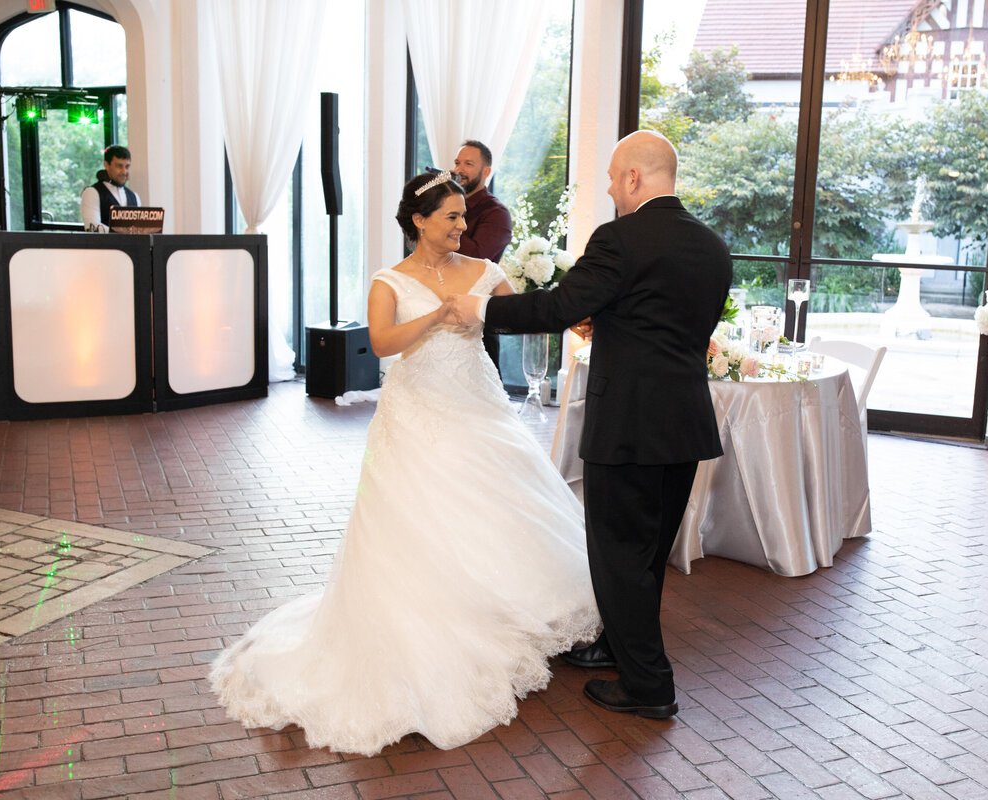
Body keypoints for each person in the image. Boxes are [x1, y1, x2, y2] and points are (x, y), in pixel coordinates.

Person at [209, 171, 600, 756]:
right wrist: (438, 317)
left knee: (500, 507)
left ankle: (504, 606)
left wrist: (573, 317)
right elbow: (385, 342)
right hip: (416, 414)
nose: (463, 227)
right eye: (451, 217)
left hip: (478, 406)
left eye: (464, 217)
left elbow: (520, 314)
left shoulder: (485, 273)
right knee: (420, 518)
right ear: (419, 220)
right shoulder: (389, 279)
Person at [450, 130, 731, 719]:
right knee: (647, 553)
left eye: (611, 176)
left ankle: (648, 686)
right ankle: (617, 646)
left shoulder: (620, 238)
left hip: (628, 422)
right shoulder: (711, 246)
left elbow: (556, 308)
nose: (608, 187)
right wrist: (614, 324)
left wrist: (480, 307)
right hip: (682, 423)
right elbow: (676, 328)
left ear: (633, 178)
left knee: (617, 554)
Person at [452, 140, 513, 370]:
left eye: (468, 164)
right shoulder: (440, 207)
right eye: (457, 163)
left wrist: (451, 217)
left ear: (486, 172)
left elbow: (475, 258)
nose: (459, 169)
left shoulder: (496, 213)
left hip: (477, 319)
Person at [80, 145, 140, 232]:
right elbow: (92, 227)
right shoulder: (92, 193)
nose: (124, 172)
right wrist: (124, 233)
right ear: (106, 165)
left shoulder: (134, 197)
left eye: (127, 166)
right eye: (119, 166)